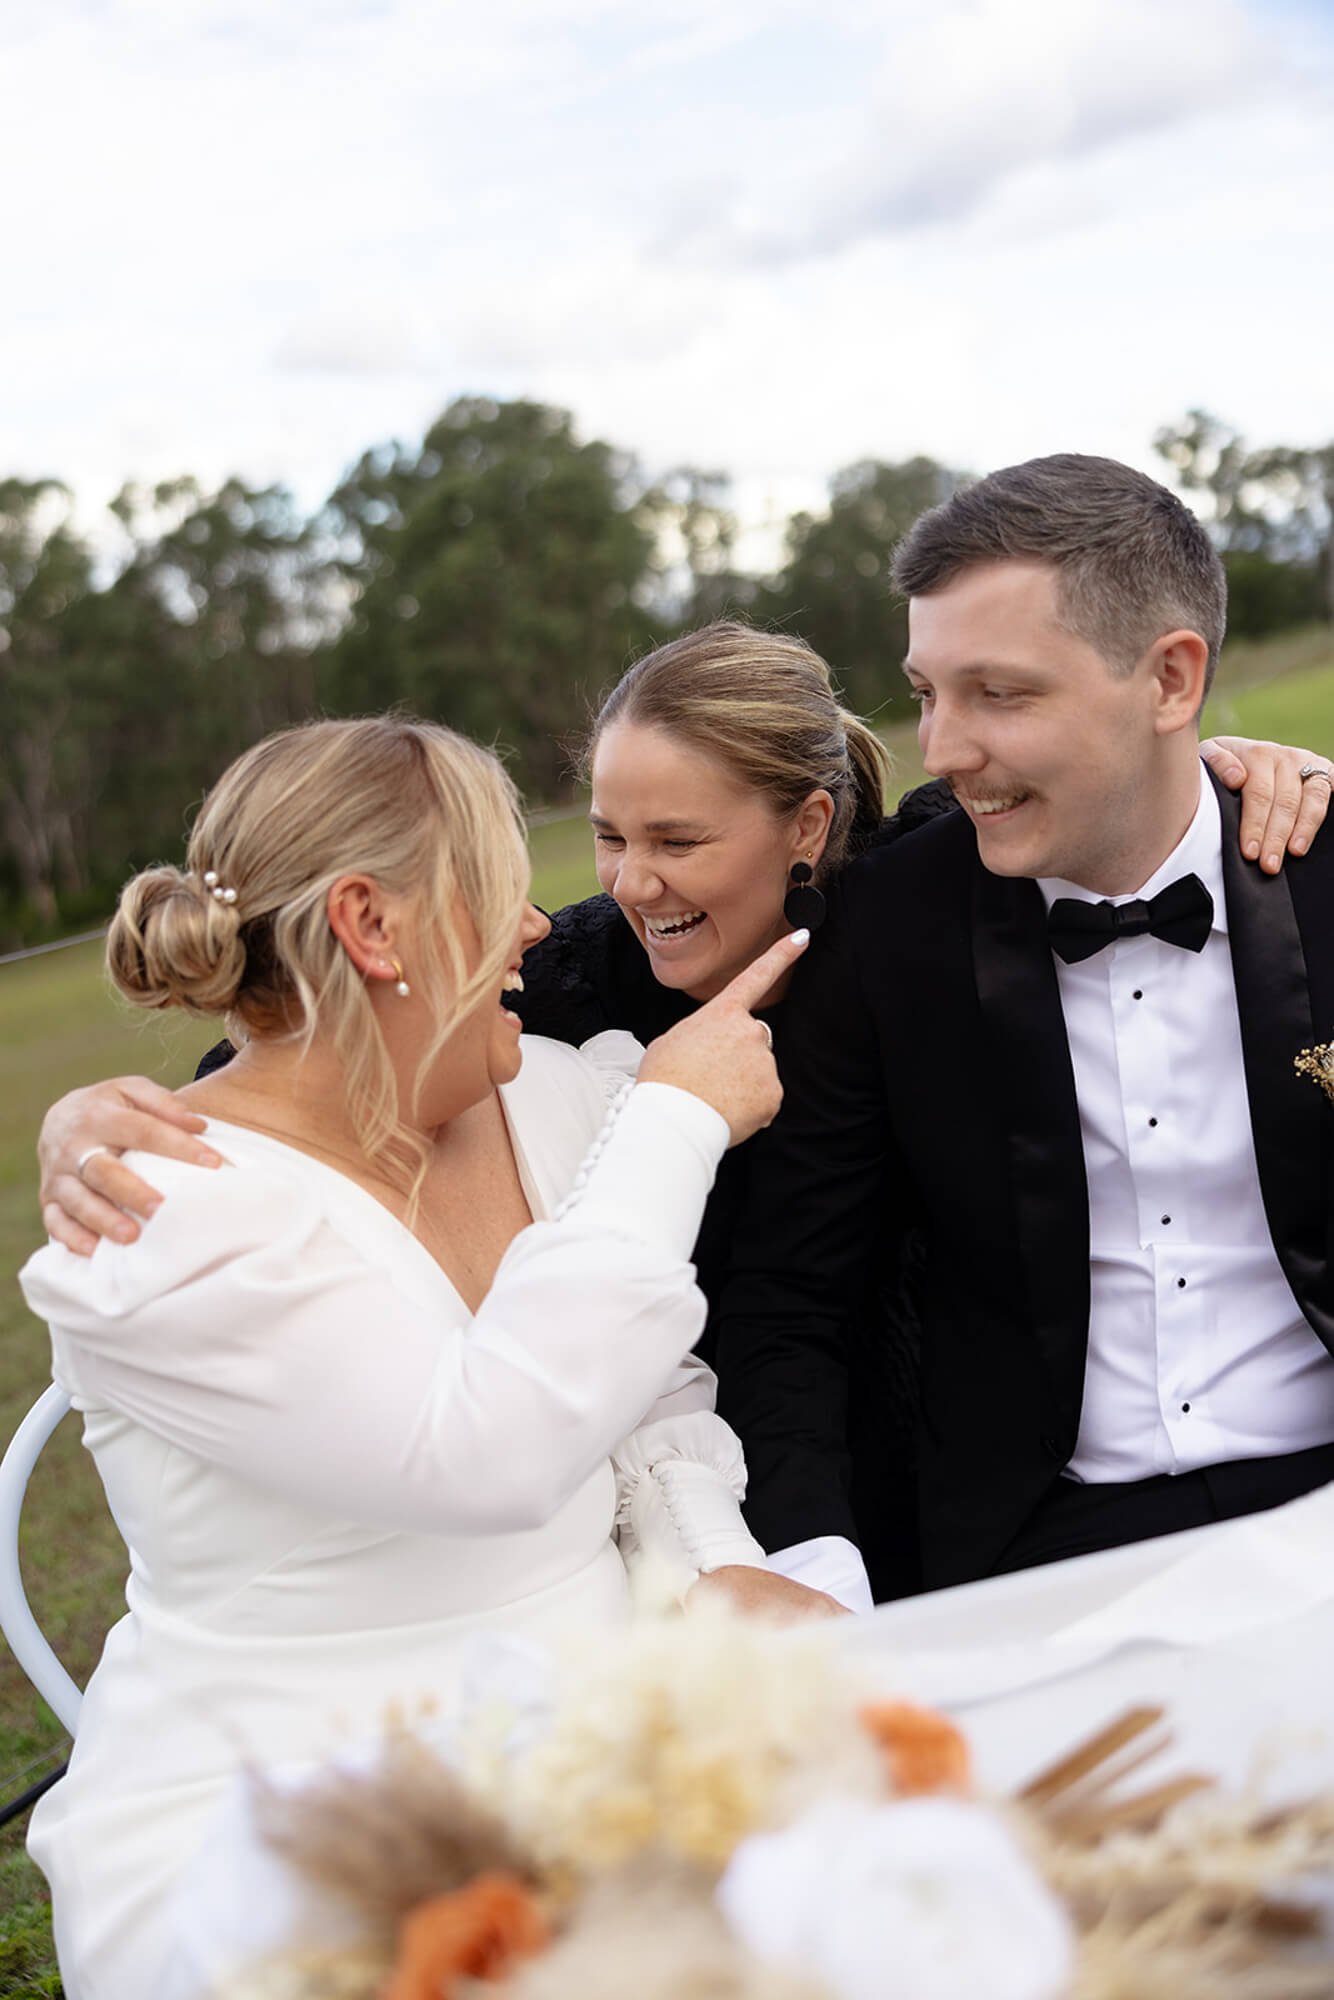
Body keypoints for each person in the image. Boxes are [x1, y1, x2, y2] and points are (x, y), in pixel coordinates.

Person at [36, 629, 1330, 1609]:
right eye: (603, 835)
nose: (625, 880)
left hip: (925, 1449)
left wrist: (1232, 768)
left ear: (808, 827)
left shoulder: (932, 895)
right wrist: (94, 1117)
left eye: (675, 838)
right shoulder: (579, 976)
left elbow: (1102, 799)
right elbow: (292, 1046)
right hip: (656, 1450)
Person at [17, 715, 812, 2000]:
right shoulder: (154, 1214)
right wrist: (673, 1121)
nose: (538, 930)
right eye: (500, 895)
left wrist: (712, 1566)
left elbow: (647, 1395)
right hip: (304, 1810)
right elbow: (482, 1451)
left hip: (601, 1727)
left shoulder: (555, 1096)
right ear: (372, 927)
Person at [714, 454, 1334, 1605]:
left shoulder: (1323, 870)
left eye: (998, 694)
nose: (941, 748)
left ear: (1168, 680)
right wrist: (808, 1556)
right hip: (1027, 1549)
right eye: (925, 692)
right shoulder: (885, 930)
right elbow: (789, 1295)